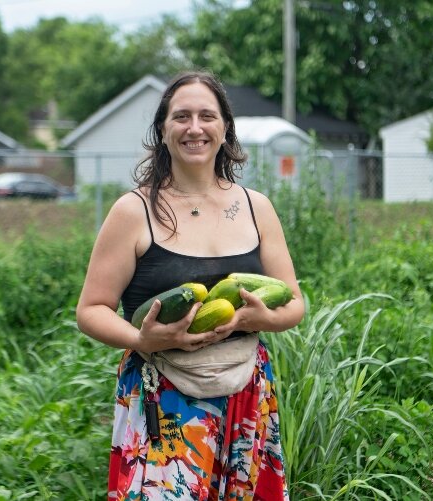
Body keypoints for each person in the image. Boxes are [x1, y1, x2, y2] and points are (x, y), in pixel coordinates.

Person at [76, 70, 305, 500]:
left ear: (225, 129)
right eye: (181, 117)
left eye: (207, 116)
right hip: (164, 398)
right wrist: (143, 337)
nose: (194, 128)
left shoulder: (257, 208)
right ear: (162, 130)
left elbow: (294, 302)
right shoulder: (133, 211)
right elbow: (90, 309)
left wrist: (263, 317)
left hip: (246, 392)